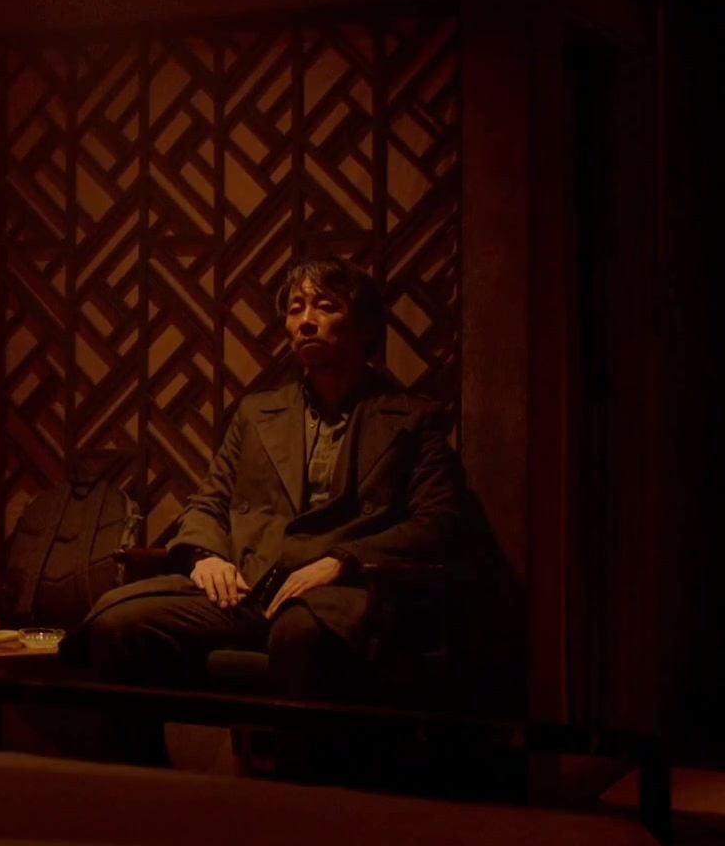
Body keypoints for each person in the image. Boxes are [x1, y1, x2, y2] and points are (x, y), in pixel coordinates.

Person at [67, 255, 463, 766]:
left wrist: (342, 560)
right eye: (296, 309)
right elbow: (208, 502)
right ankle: (143, 787)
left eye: (326, 306)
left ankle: (298, 795)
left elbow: (438, 523)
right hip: (250, 587)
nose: (306, 321)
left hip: (340, 596)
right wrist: (206, 555)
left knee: (300, 636)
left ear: (365, 327)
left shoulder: (411, 419)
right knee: (118, 623)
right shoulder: (258, 413)